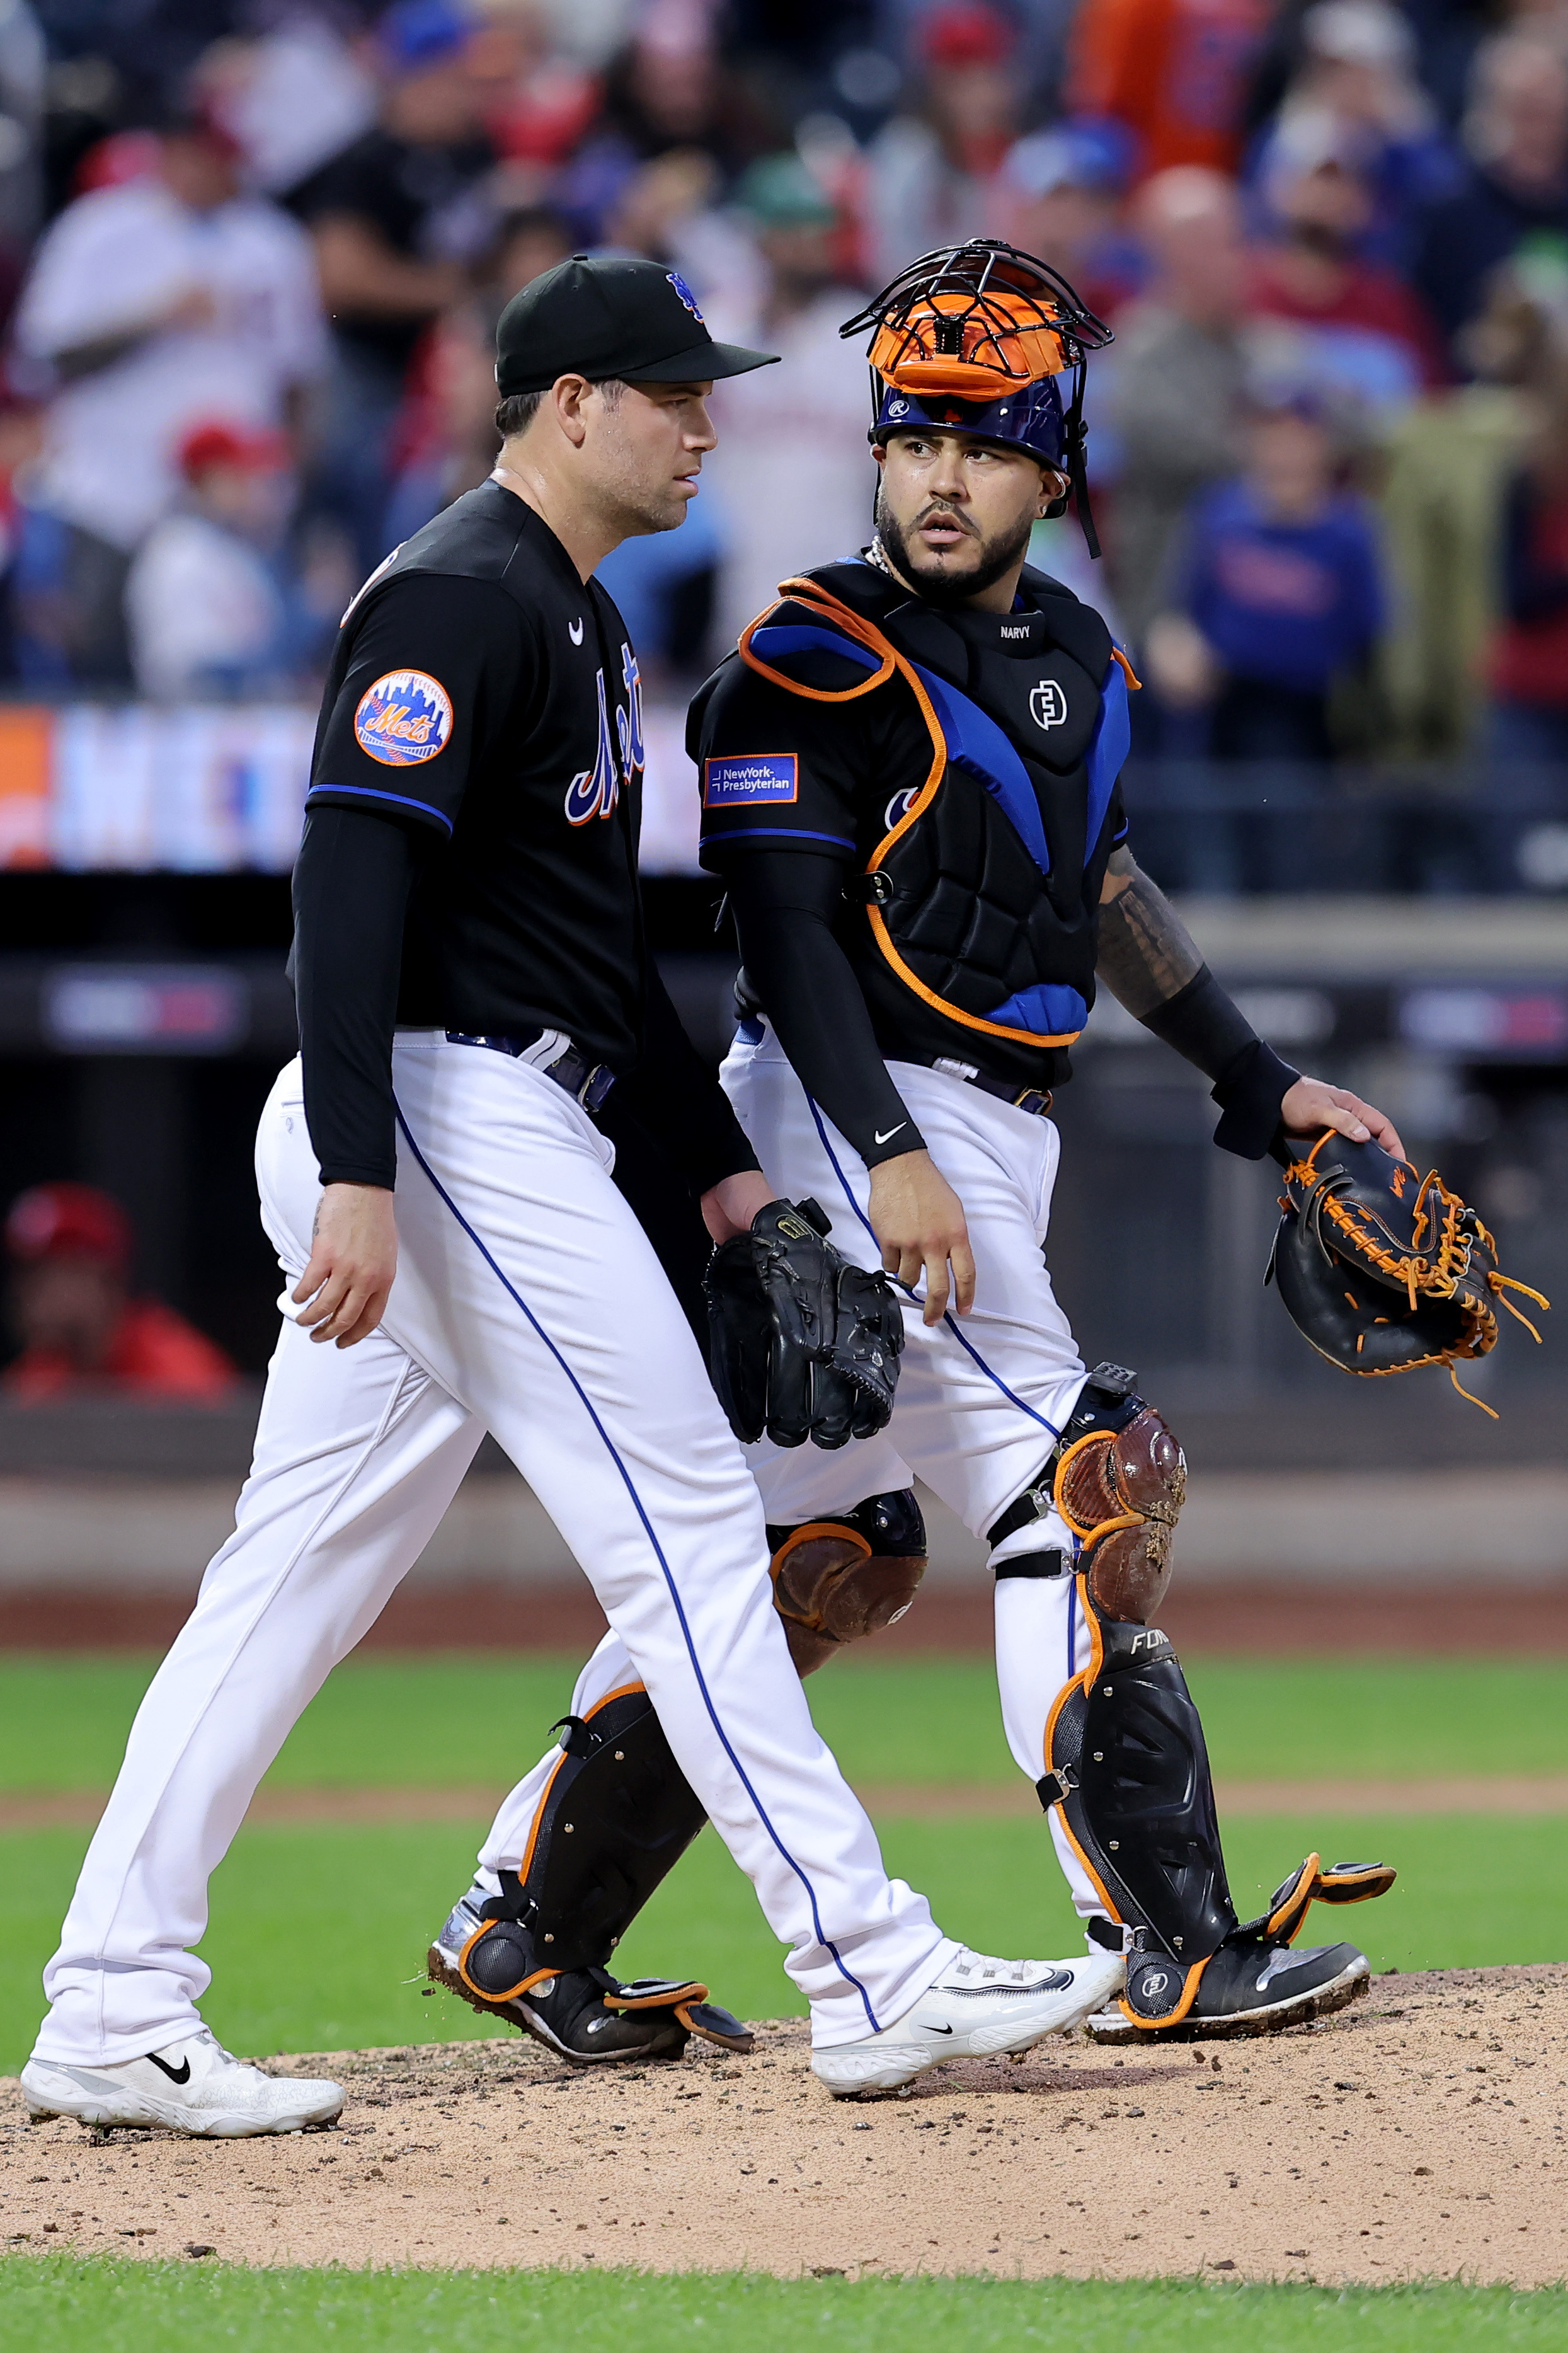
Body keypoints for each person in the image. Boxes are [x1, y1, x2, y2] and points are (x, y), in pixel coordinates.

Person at [20, 255, 1123, 2143]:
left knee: (289, 1569)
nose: (707, 421)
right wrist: (359, 1168)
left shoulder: (575, 618)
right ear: (569, 407)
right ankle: (866, 1958)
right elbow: (345, 890)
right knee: (689, 1515)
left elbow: (606, 959)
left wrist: (711, 1183)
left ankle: (111, 2002)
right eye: (671, 392)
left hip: (504, 1106)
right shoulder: (459, 595)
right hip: (443, 1112)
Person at [433, 239, 1399, 2052]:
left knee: (821, 1544)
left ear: (1054, 466)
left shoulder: (1079, 652)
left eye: (985, 439)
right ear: (874, 452)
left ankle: (524, 1916)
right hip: (854, 1113)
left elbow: (1097, 891)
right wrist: (880, 1151)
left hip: (982, 1134)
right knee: (1080, 1478)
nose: (942, 473)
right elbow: (784, 936)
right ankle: (1172, 1941)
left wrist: (1259, 1082)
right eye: (915, 437)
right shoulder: (802, 659)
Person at [10, 99, 326, 688]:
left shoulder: (273, 243)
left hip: (227, 504)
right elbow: (42, 357)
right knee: (94, 671)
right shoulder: (100, 227)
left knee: (226, 678)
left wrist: (287, 478)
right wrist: (152, 319)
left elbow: (300, 377)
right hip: (108, 495)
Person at [289, 0, 495, 575]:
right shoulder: (365, 162)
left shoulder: (473, 152)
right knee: (370, 512)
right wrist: (450, 292)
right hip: (372, 374)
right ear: (420, 73)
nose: (469, 87)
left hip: (453, 375)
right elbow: (340, 280)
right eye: (457, 70)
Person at [1150, 391, 1385, 764]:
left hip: (1313, 711)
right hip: (1226, 704)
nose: (1285, 455)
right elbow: (1179, 612)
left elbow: (1372, 635)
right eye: (1273, 441)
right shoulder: (1219, 516)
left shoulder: (1350, 533)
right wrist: (1175, 644)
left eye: (1299, 442)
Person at [125, 419, 322, 702]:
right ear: (212, 479)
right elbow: (198, 674)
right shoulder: (177, 554)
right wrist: (308, 611)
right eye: (239, 476)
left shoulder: (229, 548)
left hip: (230, 724)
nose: (249, 488)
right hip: (187, 729)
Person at [3, 1183, 238, 1405]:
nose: (27, 1294)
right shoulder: (42, 1373)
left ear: (99, 1278)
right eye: (24, 1277)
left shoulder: (178, 1370)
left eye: (44, 1276)